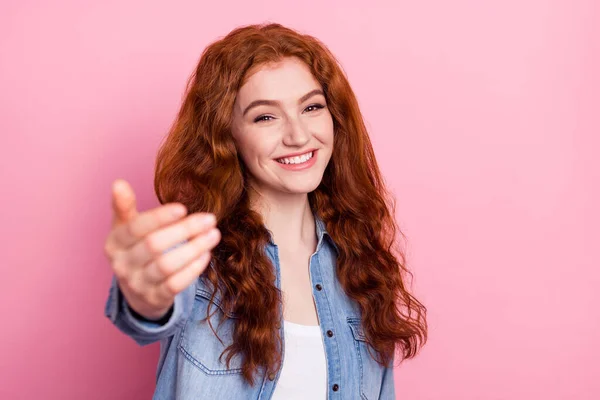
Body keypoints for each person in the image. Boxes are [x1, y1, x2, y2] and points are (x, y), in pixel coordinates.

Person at [103, 23, 427, 400]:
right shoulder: (197, 252)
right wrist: (144, 297)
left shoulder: (361, 261)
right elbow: (148, 312)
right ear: (228, 135)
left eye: (311, 107)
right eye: (265, 117)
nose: (298, 135)